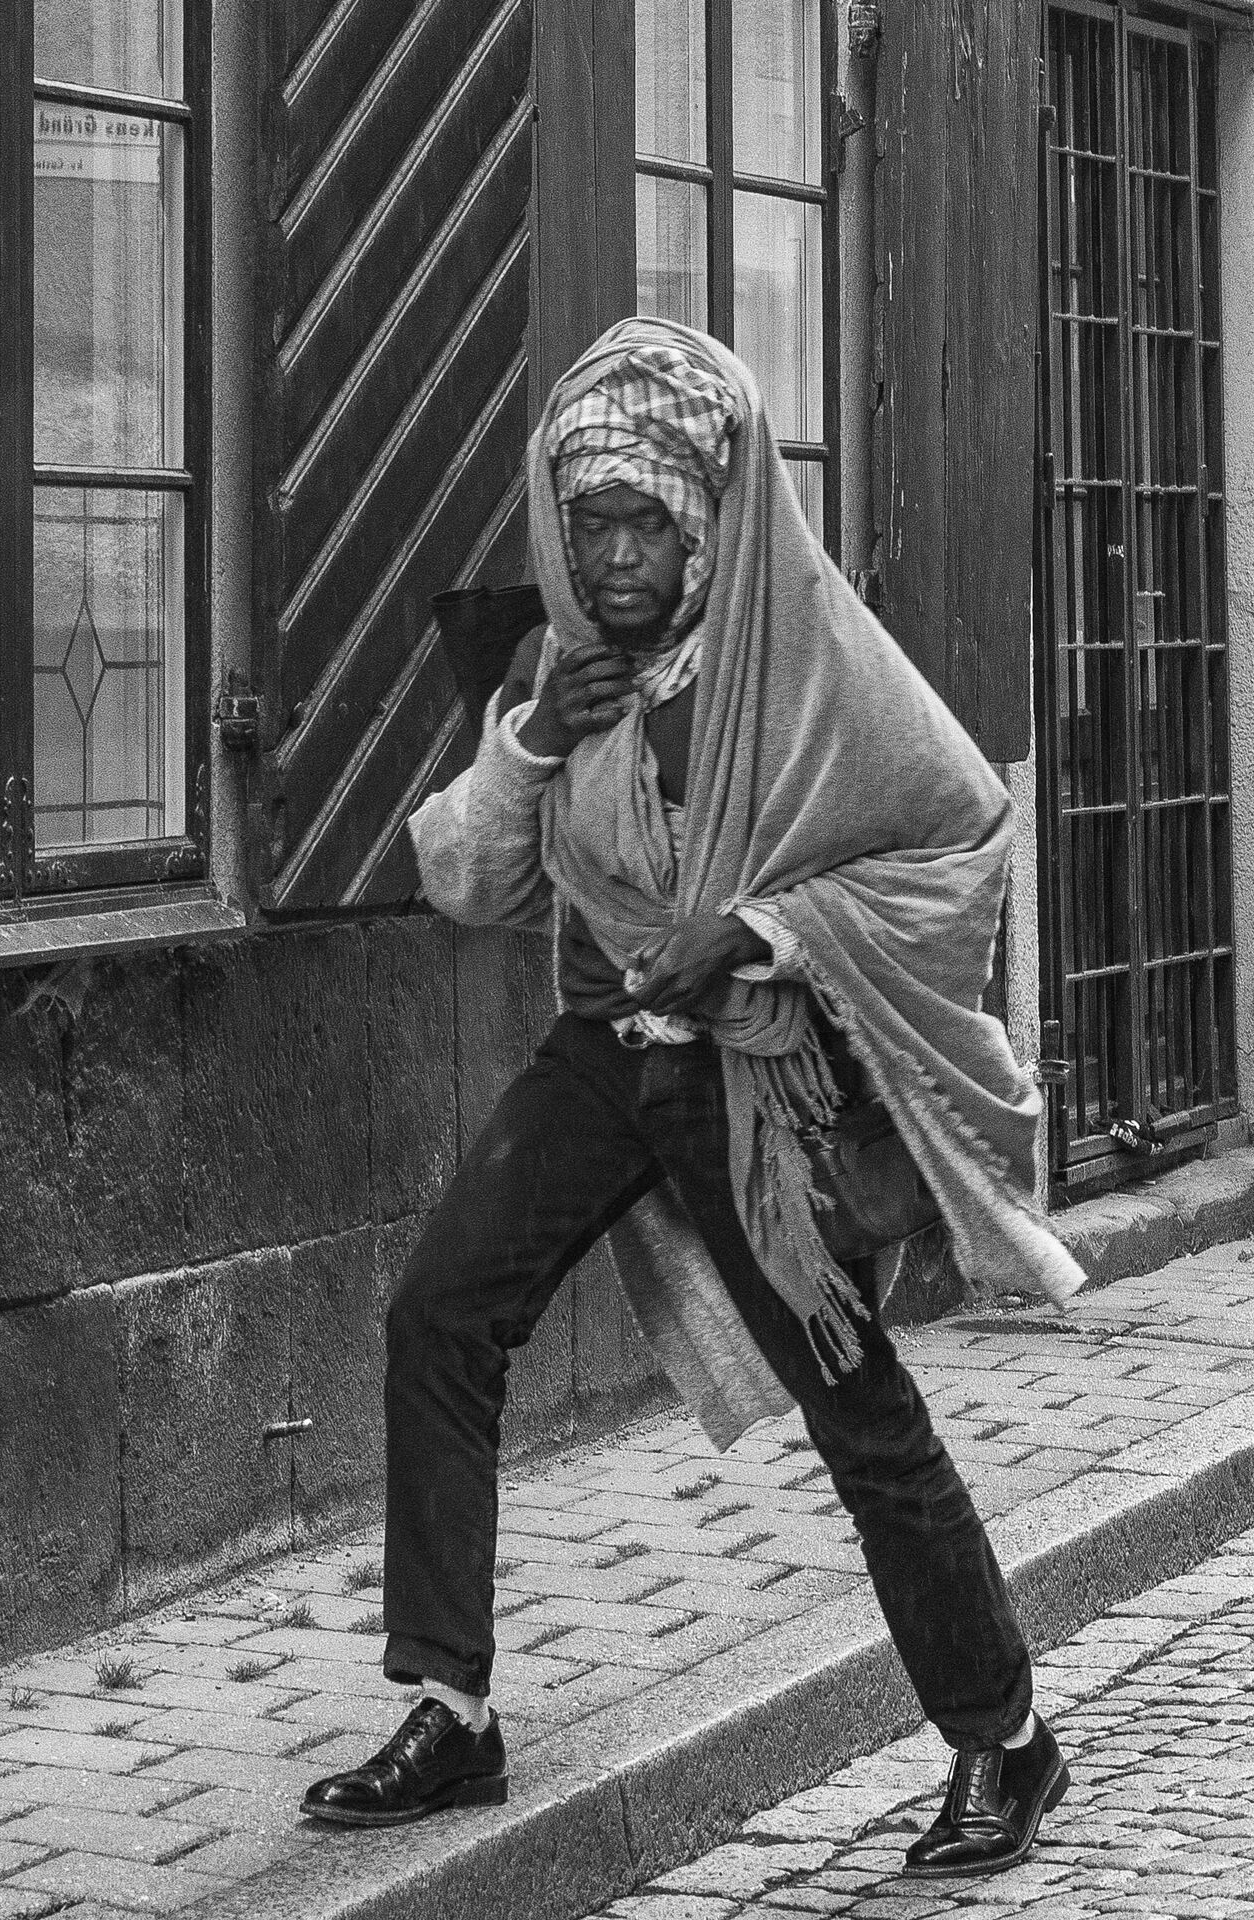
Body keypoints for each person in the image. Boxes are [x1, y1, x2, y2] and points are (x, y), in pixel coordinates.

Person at [300, 318, 1085, 1879]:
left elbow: (959, 839)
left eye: (647, 524)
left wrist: (762, 929)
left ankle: (1007, 1739)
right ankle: (452, 1709)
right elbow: (467, 883)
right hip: (607, 1054)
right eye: (589, 523)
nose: (614, 558)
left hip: (752, 1080)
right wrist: (538, 737)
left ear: (714, 519)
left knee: (857, 1411)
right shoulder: (562, 673)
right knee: (441, 1312)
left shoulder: (809, 663)